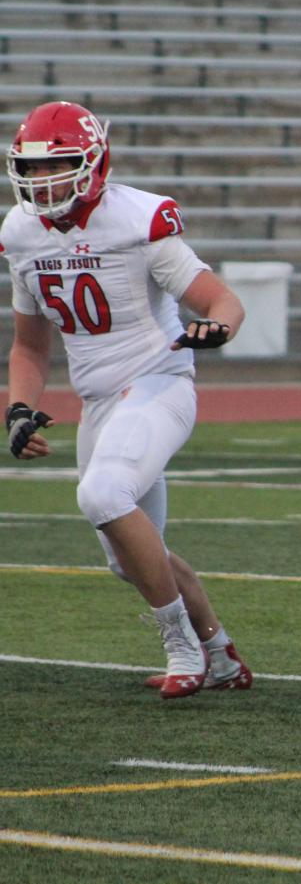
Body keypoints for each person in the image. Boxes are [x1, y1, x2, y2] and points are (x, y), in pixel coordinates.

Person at [3, 100, 253, 700]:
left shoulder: (139, 218)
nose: (42, 182)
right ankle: (220, 653)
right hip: (102, 403)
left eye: (56, 167)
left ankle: (180, 643)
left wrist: (216, 328)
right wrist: (18, 407)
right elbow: (30, 348)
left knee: (101, 493)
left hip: (160, 380)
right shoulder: (18, 233)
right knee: (133, 557)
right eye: (32, 171)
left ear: (92, 163)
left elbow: (223, 301)